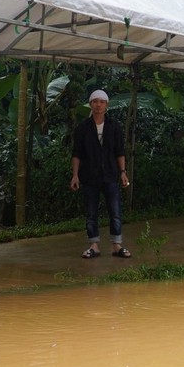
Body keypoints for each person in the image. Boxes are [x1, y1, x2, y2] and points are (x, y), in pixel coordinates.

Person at [70, 89, 131, 259]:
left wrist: (123, 172)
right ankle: (94, 245)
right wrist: (75, 175)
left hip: (110, 175)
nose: (98, 105)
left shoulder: (114, 127)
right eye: (95, 101)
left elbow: (120, 152)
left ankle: (116, 245)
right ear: (90, 104)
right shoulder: (82, 128)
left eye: (102, 102)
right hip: (89, 176)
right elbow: (77, 153)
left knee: (115, 211)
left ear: (106, 105)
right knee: (91, 212)